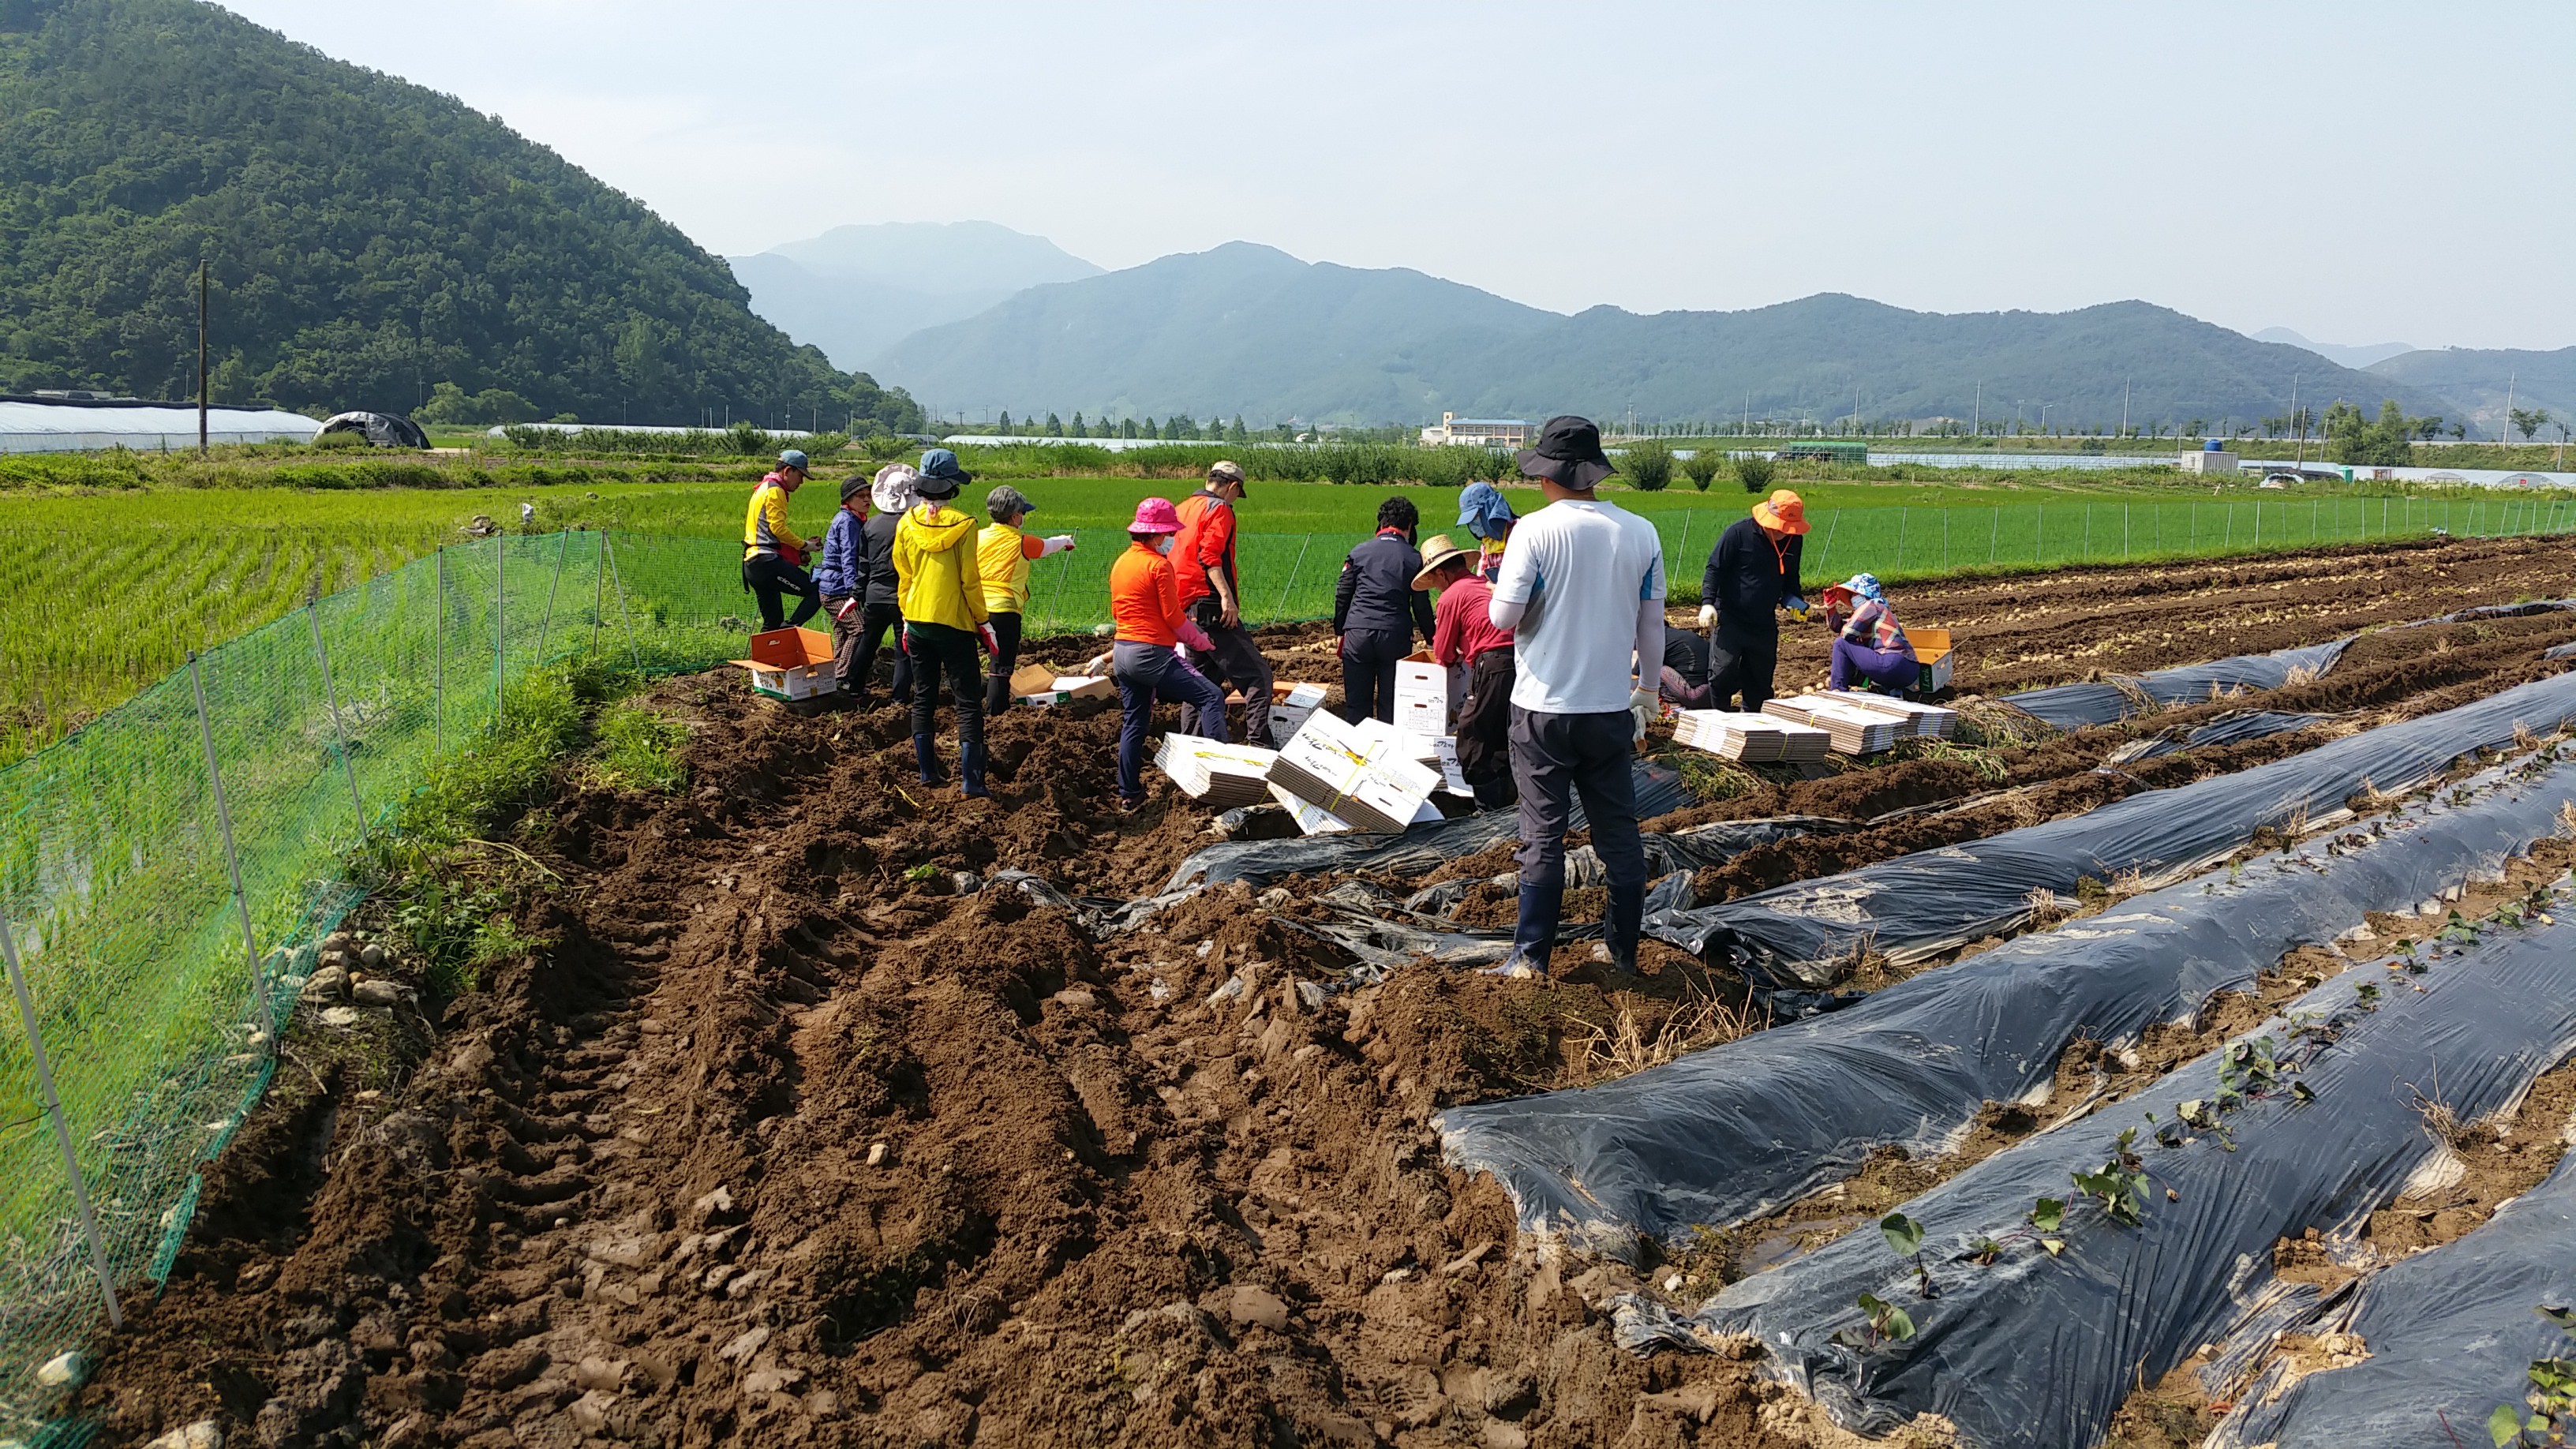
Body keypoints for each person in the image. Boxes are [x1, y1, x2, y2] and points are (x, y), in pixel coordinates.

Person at [1488, 415, 1664, 979]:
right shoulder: (1640, 532)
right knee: (1619, 833)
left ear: (1545, 475)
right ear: (1593, 474)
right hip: (1609, 707)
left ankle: (1530, 959)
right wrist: (1649, 690)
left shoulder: (1534, 532)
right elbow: (1651, 625)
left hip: (1543, 707)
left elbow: (1502, 617)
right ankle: (1622, 952)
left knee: (1542, 835)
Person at [1107, 498, 1228, 812]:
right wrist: (1200, 641)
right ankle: (1222, 779)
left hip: (1122, 652)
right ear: (1159, 535)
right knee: (1212, 697)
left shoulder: (1122, 563)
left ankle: (1129, 793)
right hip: (1151, 654)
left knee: (1134, 721)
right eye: (1169, 534)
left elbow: (1119, 611)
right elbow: (1173, 617)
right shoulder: (1159, 565)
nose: (1171, 539)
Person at [893, 449, 999, 796]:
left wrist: (907, 618)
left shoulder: (906, 522)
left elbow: (904, 575)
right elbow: (970, 580)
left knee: (923, 695)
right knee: (966, 700)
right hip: (954, 623)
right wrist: (984, 622)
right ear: (952, 486)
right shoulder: (965, 525)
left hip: (918, 621)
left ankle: (928, 773)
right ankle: (972, 781)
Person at [1173, 460, 1275, 743]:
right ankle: (1260, 745)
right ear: (1232, 487)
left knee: (1200, 684)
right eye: (1236, 495)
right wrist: (1226, 598)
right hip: (1210, 606)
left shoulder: (1182, 509)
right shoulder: (1219, 509)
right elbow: (1210, 557)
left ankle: (1189, 748)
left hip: (1187, 608)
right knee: (1258, 677)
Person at [1418, 534, 1517, 807]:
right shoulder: (1483, 584)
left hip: (1493, 662)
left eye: (1434, 581)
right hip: (1520, 659)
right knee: (1501, 729)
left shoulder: (1451, 596)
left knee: (1472, 734)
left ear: (1441, 573)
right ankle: (1508, 798)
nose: (1436, 587)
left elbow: (1443, 651)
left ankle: (1488, 807)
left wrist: (1453, 659)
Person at [1695, 489, 1810, 712]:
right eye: (1780, 527)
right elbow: (1714, 569)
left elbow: (1790, 578)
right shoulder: (1738, 534)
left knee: (1760, 677)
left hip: (1763, 621)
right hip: (1730, 616)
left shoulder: (1794, 541)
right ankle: (1719, 718)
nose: (1783, 533)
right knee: (1722, 673)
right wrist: (1707, 602)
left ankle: (1753, 724)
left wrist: (1794, 601)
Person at [1333, 496, 1438, 723]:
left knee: (1357, 706)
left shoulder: (1359, 552)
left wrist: (1341, 629)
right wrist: (1431, 638)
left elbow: (1343, 592)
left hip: (1358, 634)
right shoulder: (1413, 558)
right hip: (1395, 636)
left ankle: (1356, 754)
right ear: (1409, 525)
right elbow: (1420, 604)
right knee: (1391, 706)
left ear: (1381, 523)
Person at [975, 485, 1075, 714]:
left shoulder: (977, 537)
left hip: (975, 608)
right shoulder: (1022, 541)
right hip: (1004, 611)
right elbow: (1049, 546)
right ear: (1015, 516)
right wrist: (1066, 540)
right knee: (1000, 667)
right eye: (1023, 513)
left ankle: (971, 706)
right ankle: (995, 713)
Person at [851, 462, 916, 710]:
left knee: (868, 642)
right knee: (903, 649)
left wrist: (857, 594)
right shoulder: (912, 525)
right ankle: (898, 698)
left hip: (875, 594)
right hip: (902, 596)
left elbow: (863, 564)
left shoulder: (871, 525)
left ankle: (854, 687)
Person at [739, 448, 822, 630]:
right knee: (817, 591)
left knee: (772, 623)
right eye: (800, 476)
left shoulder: (764, 487)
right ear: (787, 471)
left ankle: (766, 656)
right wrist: (805, 546)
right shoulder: (776, 491)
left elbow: (766, 533)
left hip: (752, 563)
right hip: (766, 562)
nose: (801, 482)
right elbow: (777, 529)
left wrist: (798, 550)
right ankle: (790, 628)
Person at [812, 471, 870, 695]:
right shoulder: (848, 522)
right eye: (860, 496)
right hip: (837, 589)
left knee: (842, 633)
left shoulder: (850, 518)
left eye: (868, 495)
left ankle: (832, 680)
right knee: (859, 628)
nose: (866, 500)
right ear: (847, 500)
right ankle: (841, 675)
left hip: (829, 585)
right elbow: (849, 556)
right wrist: (854, 591)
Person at [1820, 573, 1919, 694]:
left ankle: (1838, 689)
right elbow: (1840, 627)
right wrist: (1831, 607)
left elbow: (1846, 633)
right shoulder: (1881, 609)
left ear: (1863, 593)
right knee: (1852, 643)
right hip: (1910, 671)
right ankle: (1891, 691)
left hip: (1890, 664)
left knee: (1841, 643)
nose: (1852, 598)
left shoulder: (1871, 605)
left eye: (1854, 594)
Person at [1455, 480, 1518, 579]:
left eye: (1475, 518)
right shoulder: (1487, 544)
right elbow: (1481, 577)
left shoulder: (1521, 532)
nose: (1472, 525)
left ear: (1489, 510)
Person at [1656, 623, 1721, 709]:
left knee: (1657, 669)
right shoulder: (1682, 636)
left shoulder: (1655, 641)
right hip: (1716, 693)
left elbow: (1637, 676)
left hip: (1695, 696)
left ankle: (1673, 704)